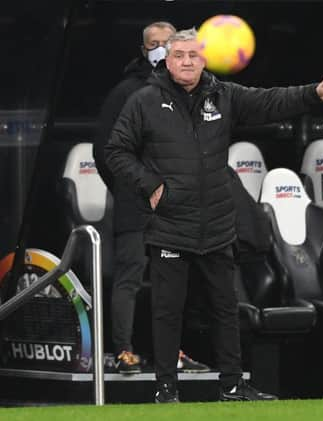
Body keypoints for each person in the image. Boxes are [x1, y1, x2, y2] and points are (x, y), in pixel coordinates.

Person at [104, 28, 323, 403]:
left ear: (204, 59)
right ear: (167, 62)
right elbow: (116, 150)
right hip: (169, 226)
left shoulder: (223, 95)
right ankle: (166, 389)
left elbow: (270, 101)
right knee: (167, 313)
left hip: (217, 224)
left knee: (225, 309)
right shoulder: (144, 101)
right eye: (179, 55)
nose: (187, 61)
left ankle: (232, 386)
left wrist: (312, 93)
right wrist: (151, 185)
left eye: (193, 55)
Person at [93, 21, 208, 375]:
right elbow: (104, 152)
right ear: (144, 50)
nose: (160, 49)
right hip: (134, 203)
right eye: (154, 44)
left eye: (167, 42)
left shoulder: (188, 91)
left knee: (171, 283)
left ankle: (171, 354)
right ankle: (124, 351)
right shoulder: (126, 92)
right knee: (128, 278)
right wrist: (131, 188)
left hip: (174, 207)